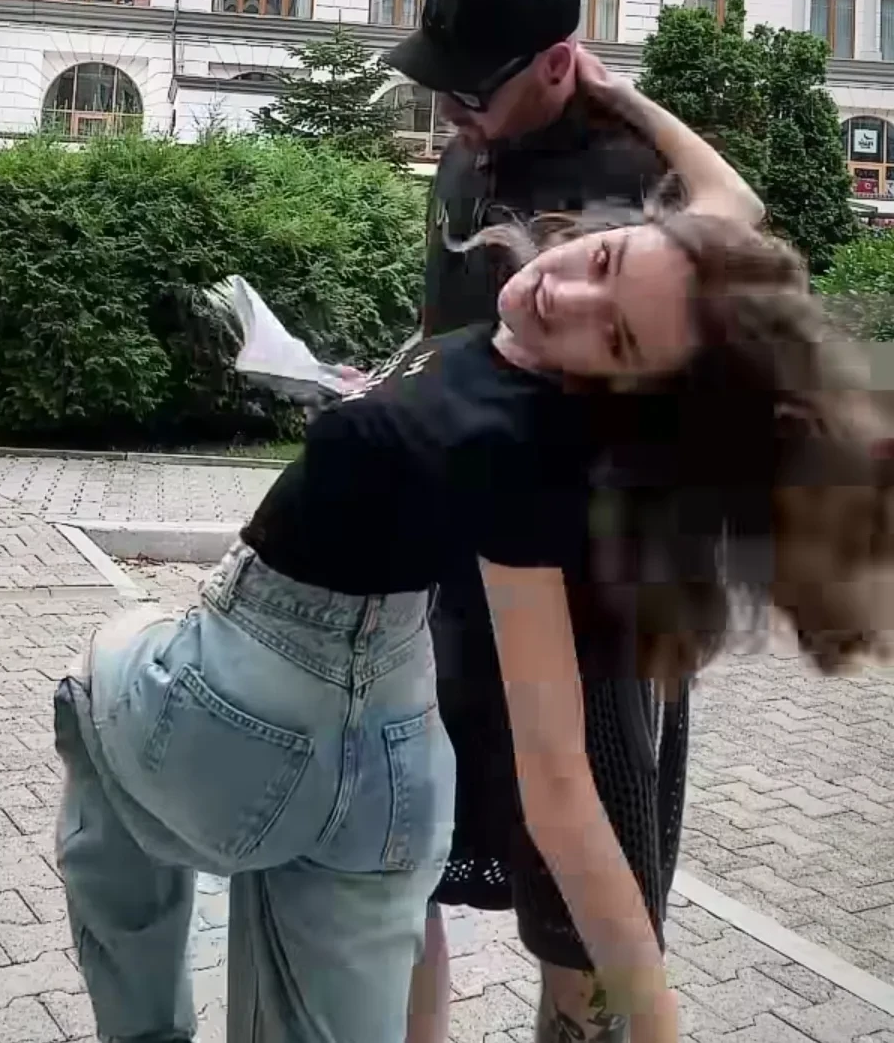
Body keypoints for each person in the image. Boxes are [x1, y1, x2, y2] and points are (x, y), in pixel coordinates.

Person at [53, 55, 894, 1043]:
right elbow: (731, 205)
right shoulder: (576, 375)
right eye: (604, 262)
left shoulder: (517, 448)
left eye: (615, 338)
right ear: (622, 229)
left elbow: (562, 787)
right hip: (386, 765)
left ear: (632, 393)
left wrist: (656, 1022)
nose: (565, 297)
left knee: (100, 678)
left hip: (255, 696)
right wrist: (620, 94)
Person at [387, 0, 687, 1041]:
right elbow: (450, 323)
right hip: (445, 568)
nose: (450, 110)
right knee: (401, 869)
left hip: (579, 583)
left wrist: (631, 97)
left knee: (581, 902)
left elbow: (735, 244)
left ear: (559, 64)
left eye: (471, 89)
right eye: (438, 82)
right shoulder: (466, 157)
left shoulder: (624, 182)